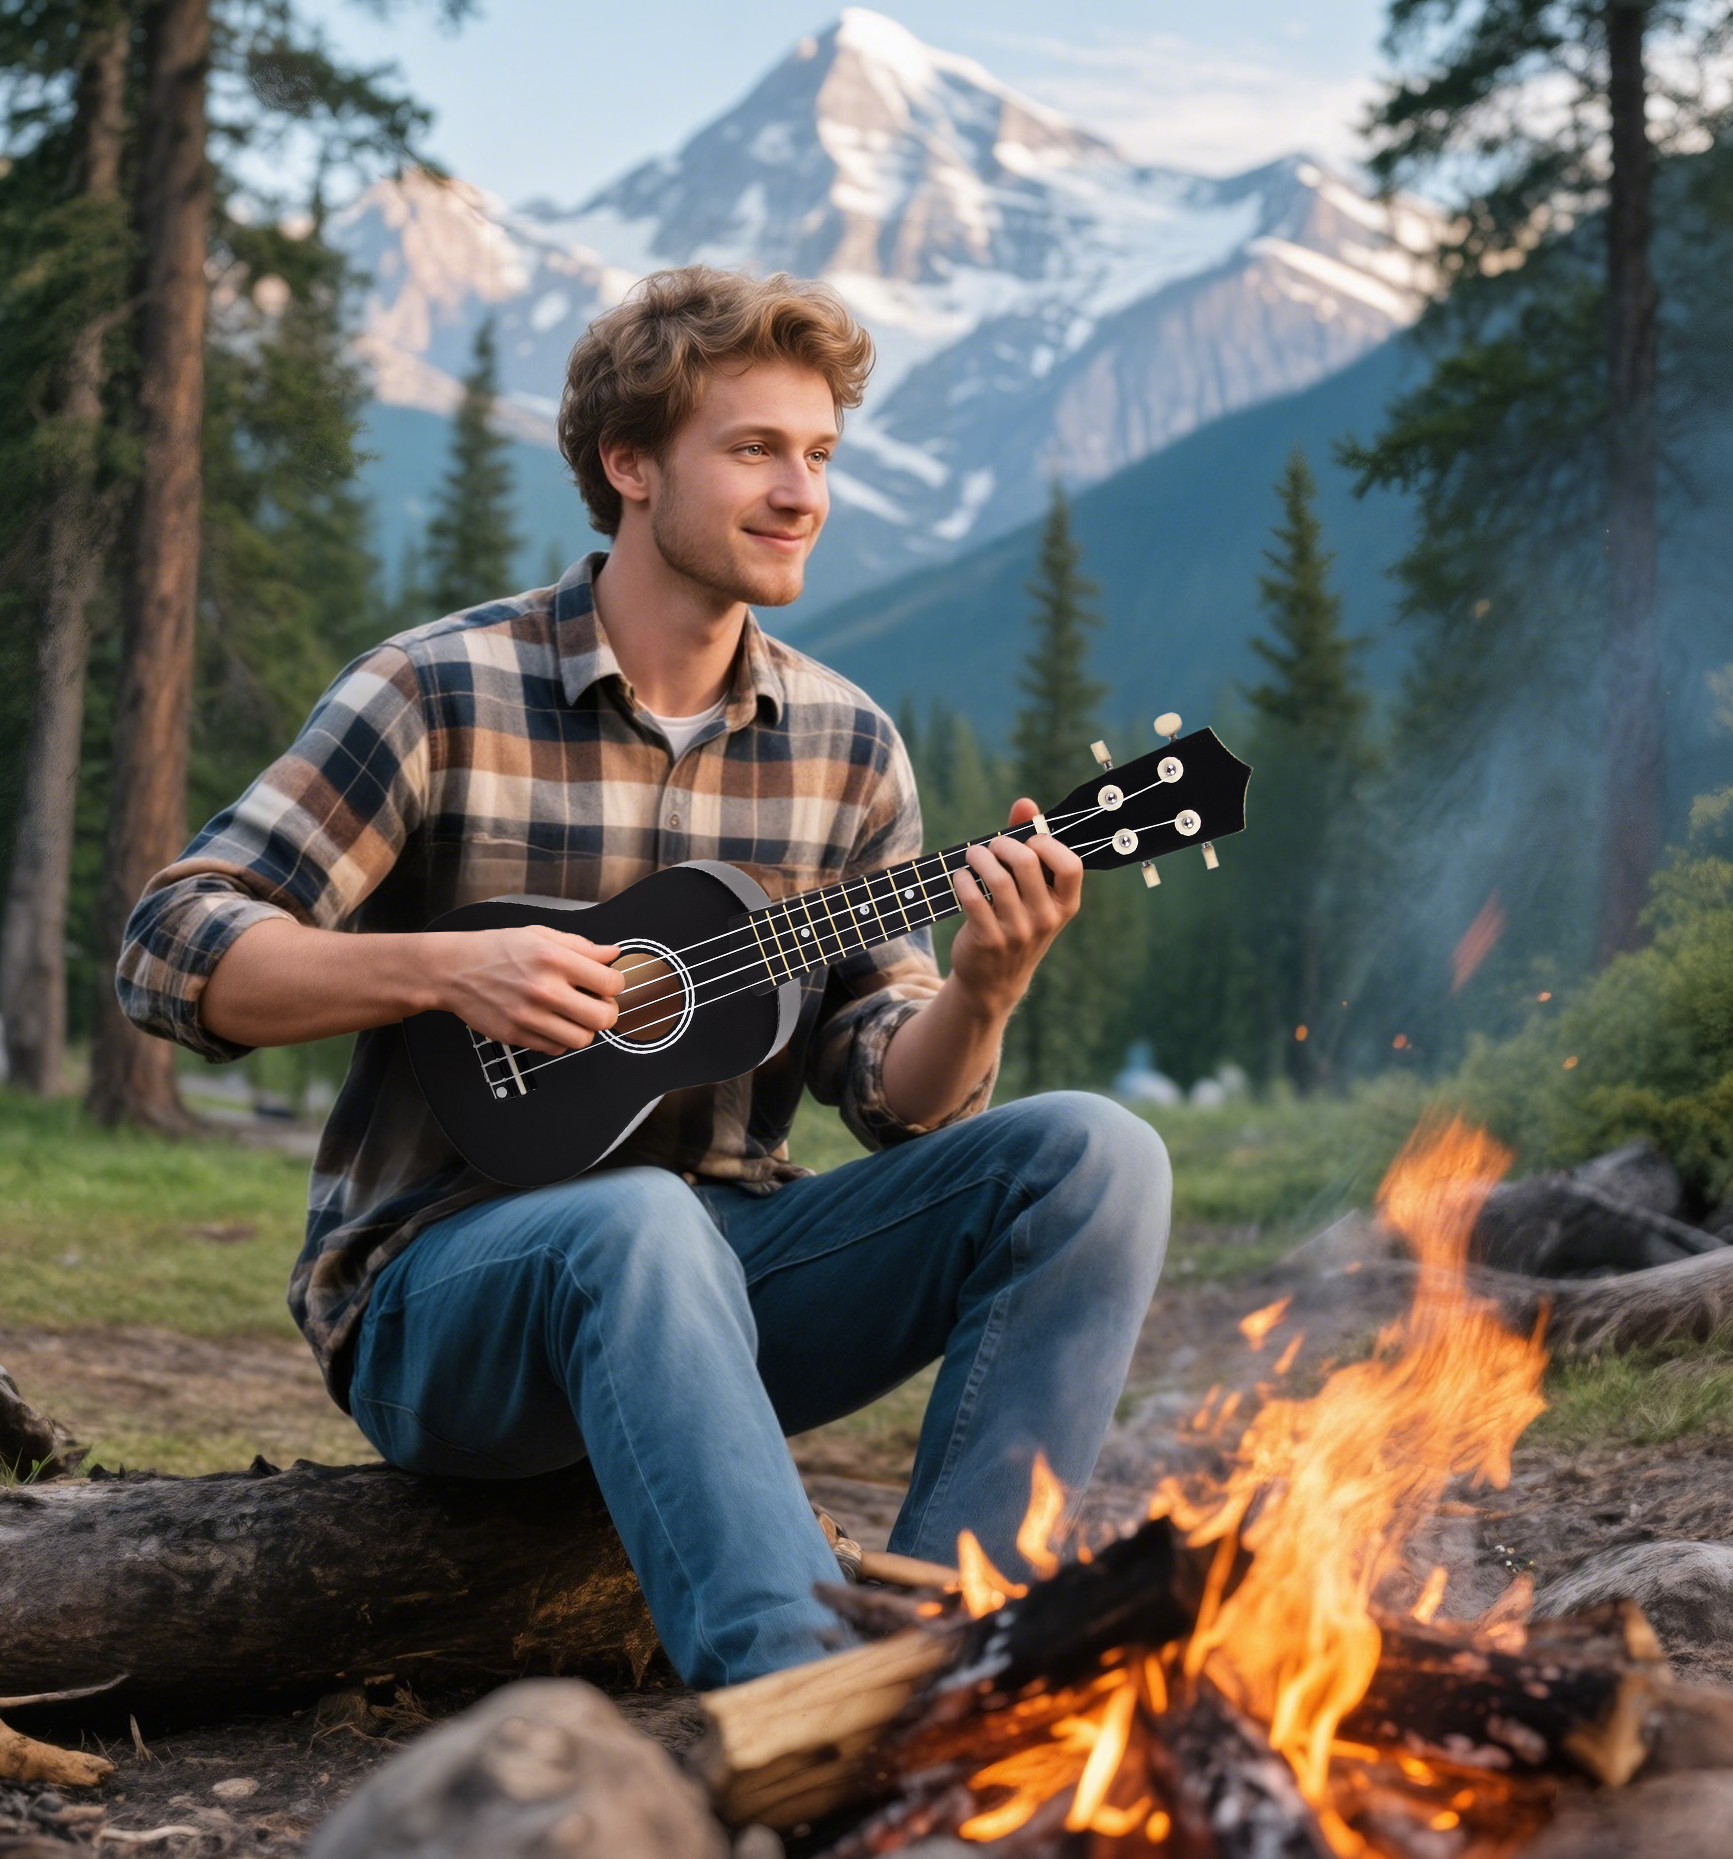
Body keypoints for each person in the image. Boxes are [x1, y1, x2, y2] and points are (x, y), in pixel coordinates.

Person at [116, 265, 1171, 1689]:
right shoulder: (440, 692)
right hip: (442, 1298)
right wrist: (445, 968)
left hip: (732, 1297)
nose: (801, 491)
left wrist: (984, 989)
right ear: (628, 466)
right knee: (632, 1224)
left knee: (1096, 1155)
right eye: (754, 450)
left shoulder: (847, 748)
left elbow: (894, 1097)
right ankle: (803, 1698)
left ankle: (958, 1657)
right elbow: (171, 947)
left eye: (820, 456)